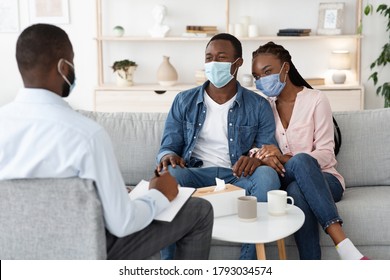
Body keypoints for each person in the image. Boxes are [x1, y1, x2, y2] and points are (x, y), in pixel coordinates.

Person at [0, 23, 213, 260]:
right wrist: (160, 195)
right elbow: (122, 223)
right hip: (86, 253)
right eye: (72, 62)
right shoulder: (86, 135)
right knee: (199, 211)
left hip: (15, 257)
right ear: (63, 66)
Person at [157, 33, 281, 260]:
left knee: (267, 176)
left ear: (238, 63)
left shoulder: (258, 105)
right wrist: (168, 156)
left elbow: (267, 148)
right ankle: (171, 267)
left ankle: (247, 264)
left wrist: (256, 157)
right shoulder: (183, 100)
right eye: (209, 57)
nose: (213, 63)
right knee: (169, 175)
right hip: (194, 173)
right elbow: (169, 145)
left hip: (236, 176)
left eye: (221, 58)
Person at [250, 41, 369, 260]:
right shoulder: (263, 106)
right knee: (295, 184)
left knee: (299, 182)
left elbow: (326, 154)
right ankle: (345, 248)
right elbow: (254, 148)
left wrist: (283, 157)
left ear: (285, 68)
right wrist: (262, 155)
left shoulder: (316, 100)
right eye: (257, 76)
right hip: (283, 179)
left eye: (267, 72)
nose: (261, 80)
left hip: (326, 180)